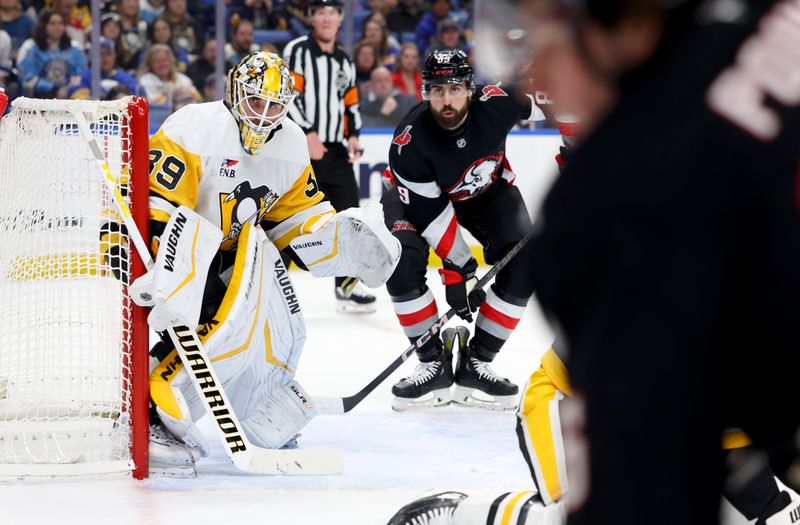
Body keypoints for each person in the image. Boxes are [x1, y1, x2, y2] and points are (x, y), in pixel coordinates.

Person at [519, 0, 800, 523]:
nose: (533, 74)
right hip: (582, 402)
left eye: (547, 41)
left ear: (631, 28)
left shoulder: (608, 213)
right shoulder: (611, 219)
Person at [139, 51, 400, 475]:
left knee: (276, 312)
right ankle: (150, 412)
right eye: (255, 101)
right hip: (167, 253)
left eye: (274, 105)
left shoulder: (292, 143)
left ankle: (258, 401)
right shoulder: (195, 125)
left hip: (228, 259)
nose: (263, 115)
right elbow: (160, 207)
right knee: (214, 314)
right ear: (234, 92)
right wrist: (169, 268)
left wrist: (344, 244)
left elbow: (294, 221)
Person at [384, 48, 548, 411]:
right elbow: (430, 214)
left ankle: (478, 361)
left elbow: (559, 100)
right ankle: (432, 364)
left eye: (454, 89)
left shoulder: (500, 103)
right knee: (398, 262)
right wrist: (461, 268)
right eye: (437, 90)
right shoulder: (408, 144)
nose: (446, 99)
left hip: (486, 194)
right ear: (424, 91)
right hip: (416, 201)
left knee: (525, 266)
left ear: (471, 90)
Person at [283, 0, 378, 313]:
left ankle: (346, 284)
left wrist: (353, 135)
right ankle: (272, 287)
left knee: (350, 216)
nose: (326, 18)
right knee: (285, 217)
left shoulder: (344, 60)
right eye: (320, 12)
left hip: (335, 151)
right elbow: (289, 96)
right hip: (300, 147)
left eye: (332, 13)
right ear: (312, 18)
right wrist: (308, 132)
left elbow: (350, 100)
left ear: (340, 19)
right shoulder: (297, 51)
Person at [19, 10, 86, 98]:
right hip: (42, 97)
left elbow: (81, 75)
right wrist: (53, 89)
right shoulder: (33, 49)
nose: (57, 27)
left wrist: (68, 90)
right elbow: (28, 78)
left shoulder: (75, 49)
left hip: (70, 95)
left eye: (60, 23)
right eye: (52, 23)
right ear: (44, 26)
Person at [67, 36, 137, 99]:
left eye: (108, 53)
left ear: (114, 55)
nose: (104, 58)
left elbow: (139, 99)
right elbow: (77, 98)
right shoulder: (85, 77)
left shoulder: (125, 78)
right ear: (92, 56)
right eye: (100, 54)